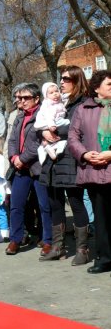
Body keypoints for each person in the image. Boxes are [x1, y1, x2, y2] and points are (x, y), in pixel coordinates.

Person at [39, 66, 90, 264]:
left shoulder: (83, 103)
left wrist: (53, 132)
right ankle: (58, 246)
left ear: (77, 80)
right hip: (52, 161)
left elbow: (78, 129)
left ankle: (82, 249)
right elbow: (42, 122)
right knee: (54, 203)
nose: (61, 82)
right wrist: (42, 131)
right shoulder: (56, 101)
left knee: (76, 203)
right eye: (61, 78)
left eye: (66, 79)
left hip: (70, 158)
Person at [68, 70, 111, 274]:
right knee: (101, 218)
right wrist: (85, 155)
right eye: (109, 85)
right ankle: (104, 258)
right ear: (96, 88)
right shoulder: (83, 109)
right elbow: (73, 138)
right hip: (95, 170)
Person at [5, 83, 52, 257]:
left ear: (36, 99)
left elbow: (39, 143)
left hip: (38, 167)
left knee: (44, 206)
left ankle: (48, 240)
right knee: (16, 205)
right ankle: (15, 239)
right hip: (20, 169)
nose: (22, 101)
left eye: (26, 98)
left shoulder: (43, 115)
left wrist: (22, 158)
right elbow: (11, 140)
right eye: (20, 98)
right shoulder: (19, 117)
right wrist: (13, 157)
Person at [34, 82, 70, 163]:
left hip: (54, 122)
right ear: (46, 96)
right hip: (48, 123)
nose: (55, 94)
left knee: (55, 140)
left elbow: (64, 97)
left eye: (56, 91)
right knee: (67, 122)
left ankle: (49, 148)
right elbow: (49, 116)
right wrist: (51, 125)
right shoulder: (48, 104)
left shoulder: (57, 101)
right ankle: (46, 148)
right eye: (51, 93)